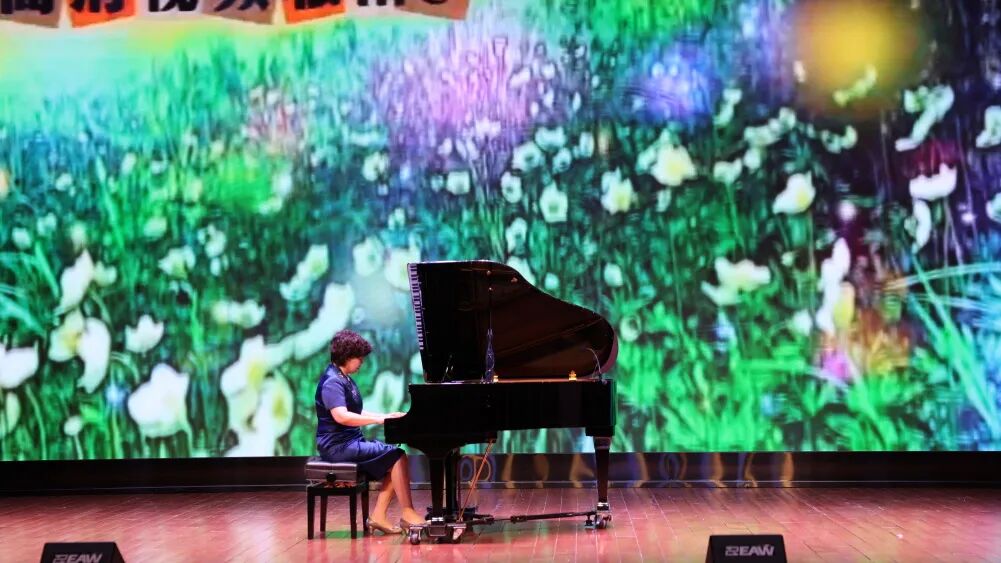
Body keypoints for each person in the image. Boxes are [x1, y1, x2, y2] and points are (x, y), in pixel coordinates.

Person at [315, 329, 425, 534]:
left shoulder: (344, 378)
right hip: (337, 447)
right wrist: (379, 419)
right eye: (359, 357)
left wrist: (386, 415)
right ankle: (405, 513)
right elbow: (342, 416)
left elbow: (354, 412)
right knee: (397, 457)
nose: (362, 362)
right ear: (347, 356)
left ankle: (379, 516)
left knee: (396, 458)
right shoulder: (332, 381)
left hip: (348, 442)